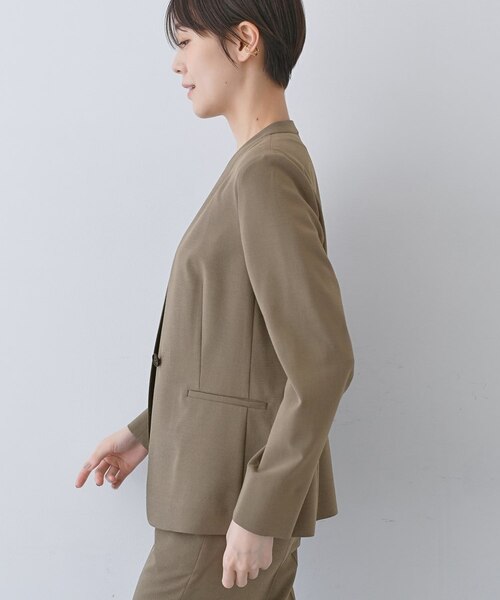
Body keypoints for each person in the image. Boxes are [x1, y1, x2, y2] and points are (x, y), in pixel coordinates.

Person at [75, 0, 355, 598]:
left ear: (244, 41)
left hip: (225, 513)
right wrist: (147, 429)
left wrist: (261, 510)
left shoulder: (265, 172)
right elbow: (242, 352)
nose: (177, 64)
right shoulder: (260, 164)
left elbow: (323, 362)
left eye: (185, 41)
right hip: (228, 503)